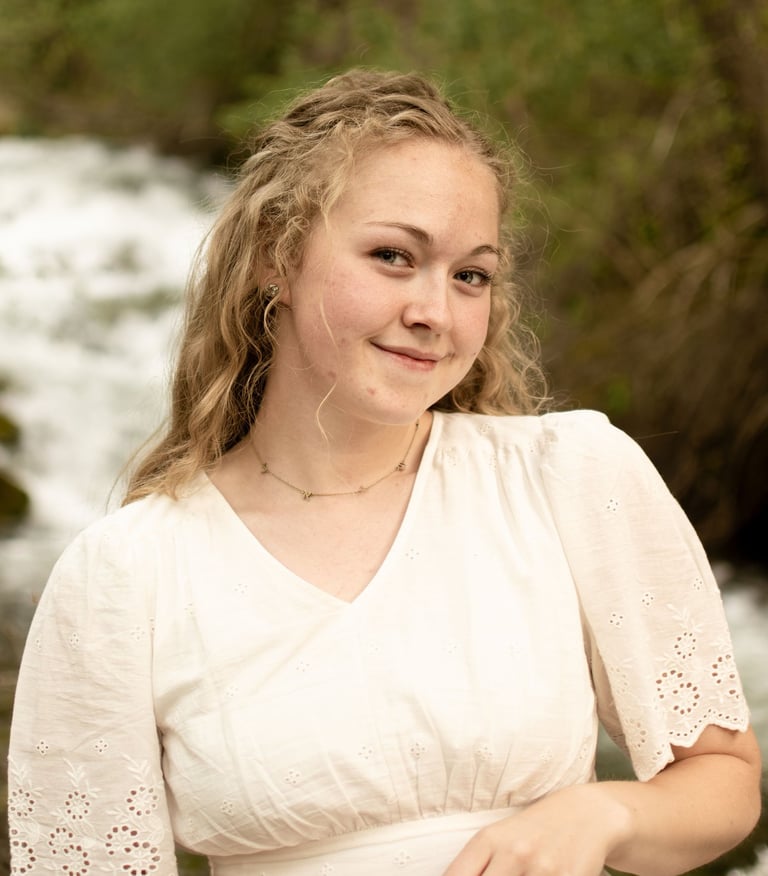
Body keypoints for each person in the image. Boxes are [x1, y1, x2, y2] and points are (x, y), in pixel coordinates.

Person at [7, 69, 761, 876]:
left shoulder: (569, 476)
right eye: (394, 257)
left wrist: (606, 809)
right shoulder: (126, 571)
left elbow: (722, 781)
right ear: (276, 258)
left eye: (470, 275)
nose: (435, 312)